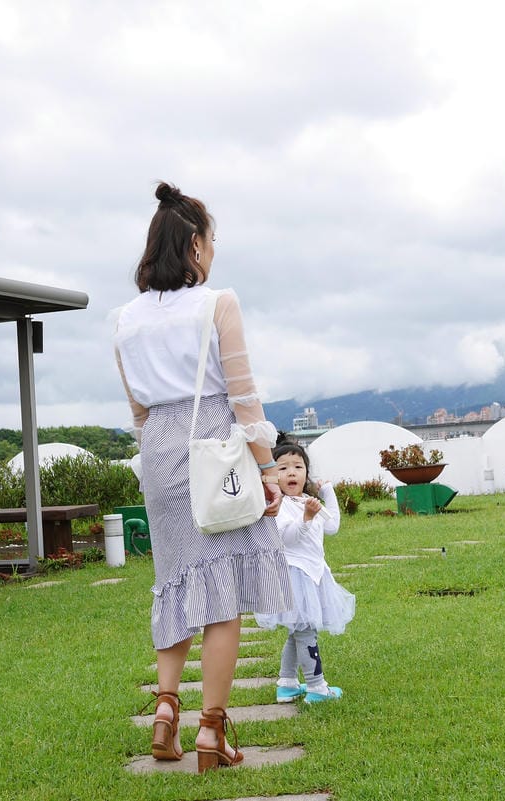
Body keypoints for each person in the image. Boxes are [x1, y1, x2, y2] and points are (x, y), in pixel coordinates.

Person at [112, 181, 292, 773]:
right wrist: (268, 471)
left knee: (174, 585)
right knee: (222, 599)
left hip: (159, 455)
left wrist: (159, 459)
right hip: (214, 451)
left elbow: (138, 411)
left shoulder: (125, 321)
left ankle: (166, 709)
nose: (212, 251)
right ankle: (212, 731)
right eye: (210, 240)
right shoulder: (218, 303)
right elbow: (242, 396)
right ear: (194, 244)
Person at [255, 438, 354, 704]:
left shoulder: (307, 500)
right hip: (294, 576)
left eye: (298, 466)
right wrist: (306, 519)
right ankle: (316, 686)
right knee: (306, 630)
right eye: (283, 468)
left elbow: (331, 526)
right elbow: (286, 538)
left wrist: (328, 493)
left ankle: (286, 683)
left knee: (297, 630)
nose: (291, 473)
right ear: (272, 476)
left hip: (314, 574)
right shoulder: (279, 506)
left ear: (306, 473)